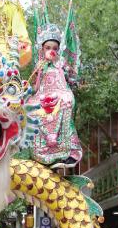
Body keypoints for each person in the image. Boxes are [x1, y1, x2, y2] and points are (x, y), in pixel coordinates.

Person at [30, 23, 82, 169]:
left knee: (65, 103)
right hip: (43, 94)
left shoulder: (61, 63)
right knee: (32, 108)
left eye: (54, 48)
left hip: (60, 93)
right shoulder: (40, 64)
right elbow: (35, 85)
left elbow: (72, 77)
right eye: (48, 48)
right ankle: (40, 151)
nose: (51, 51)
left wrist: (67, 72)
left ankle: (70, 151)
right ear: (42, 49)